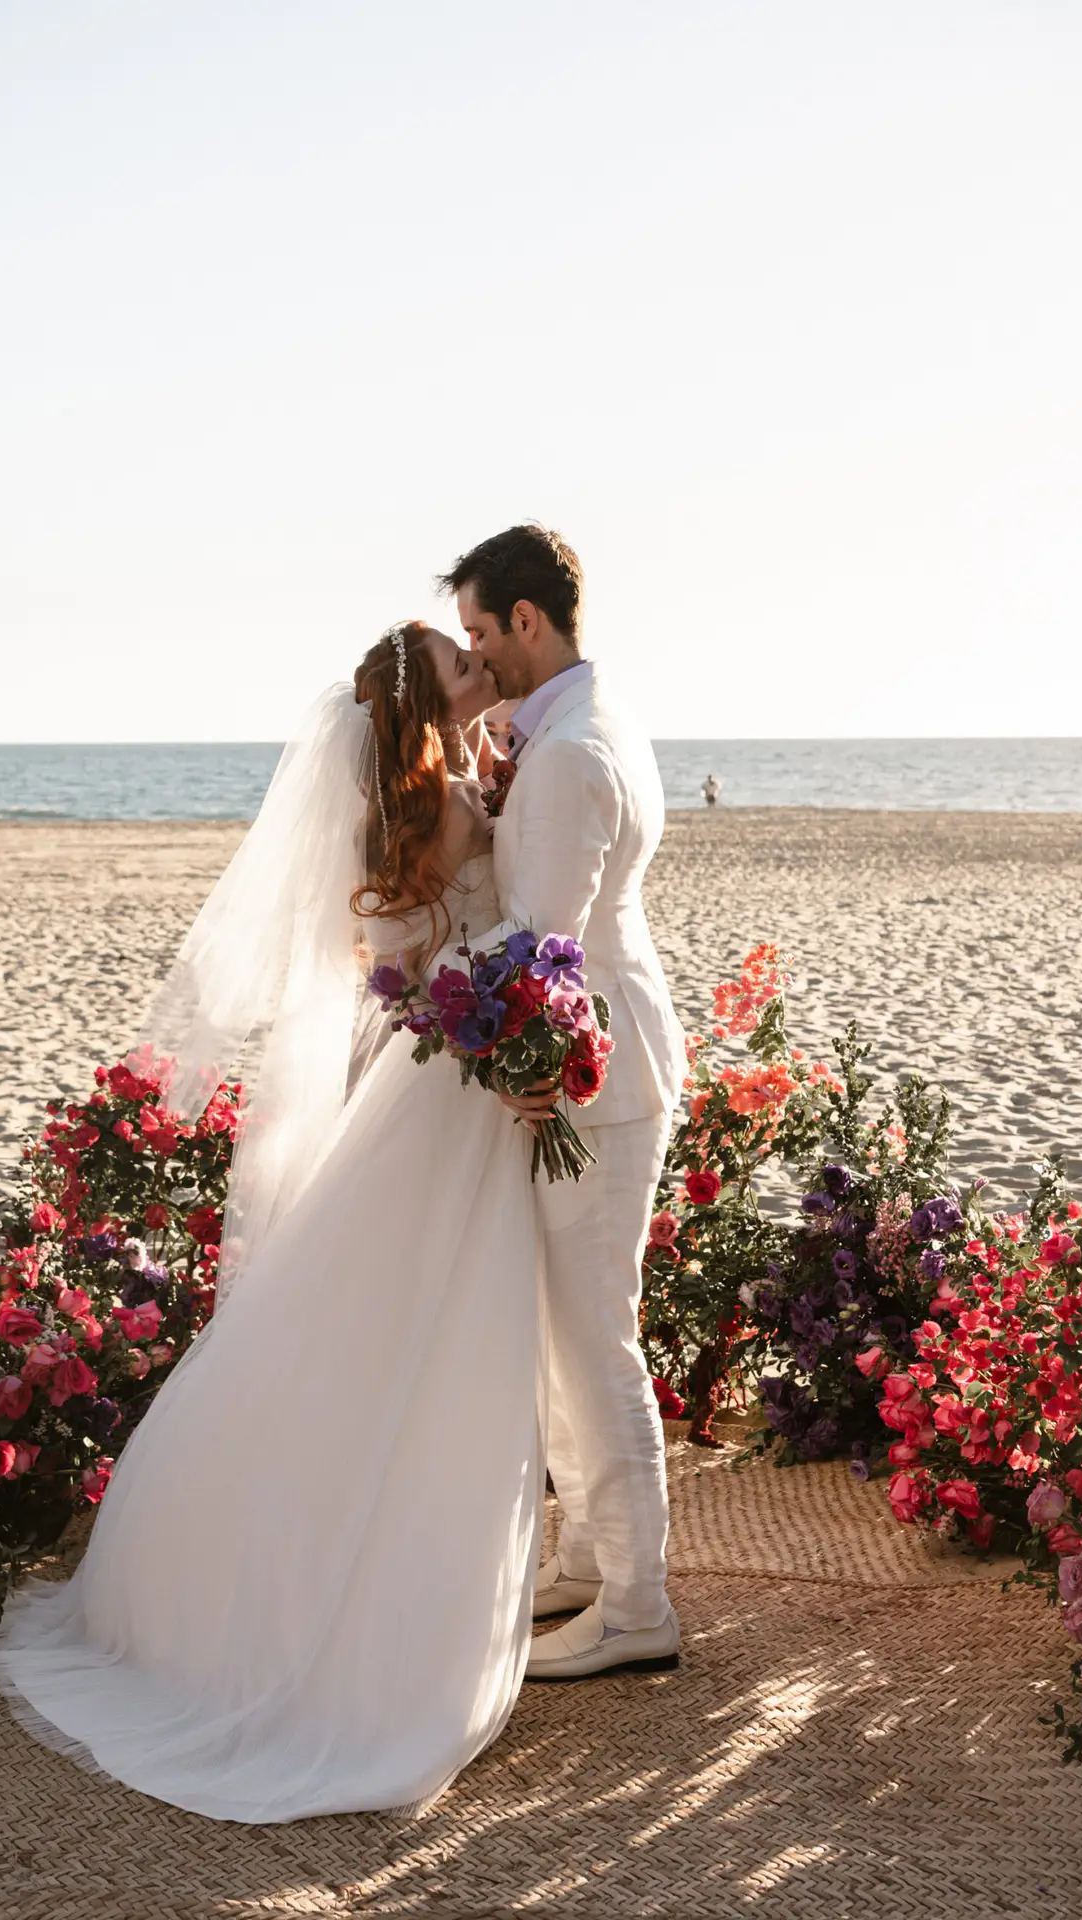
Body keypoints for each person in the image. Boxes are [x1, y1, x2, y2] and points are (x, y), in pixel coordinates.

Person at [0, 622, 546, 1823]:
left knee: (358, 1331)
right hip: (445, 1094)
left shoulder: (406, 812)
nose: (478, 673)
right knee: (429, 1333)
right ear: (423, 711)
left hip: (410, 1086)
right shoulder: (443, 816)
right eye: (461, 668)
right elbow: (480, 941)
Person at [438, 524, 684, 1681]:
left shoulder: (573, 752)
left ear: (526, 621)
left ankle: (638, 1610)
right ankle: (587, 1560)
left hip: (596, 1074)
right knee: (562, 1333)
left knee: (594, 1341)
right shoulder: (586, 725)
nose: (476, 654)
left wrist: (517, 1056)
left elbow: (541, 949)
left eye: (483, 631)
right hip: (601, 1060)